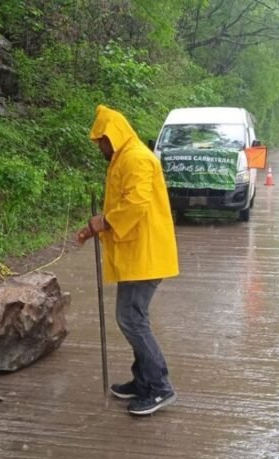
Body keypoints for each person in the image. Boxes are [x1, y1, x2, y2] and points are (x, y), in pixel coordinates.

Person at [76, 105, 180, 416]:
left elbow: (136, 202)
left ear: (113, 136)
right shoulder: (125, 156)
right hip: (137, 254)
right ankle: (144, 380)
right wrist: (93, 228)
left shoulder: (137, 158)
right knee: (132, 318)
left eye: (101, 142)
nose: (100, 148)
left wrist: (105, 222)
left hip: (146, 255)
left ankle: (160, 386)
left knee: (131, 319)